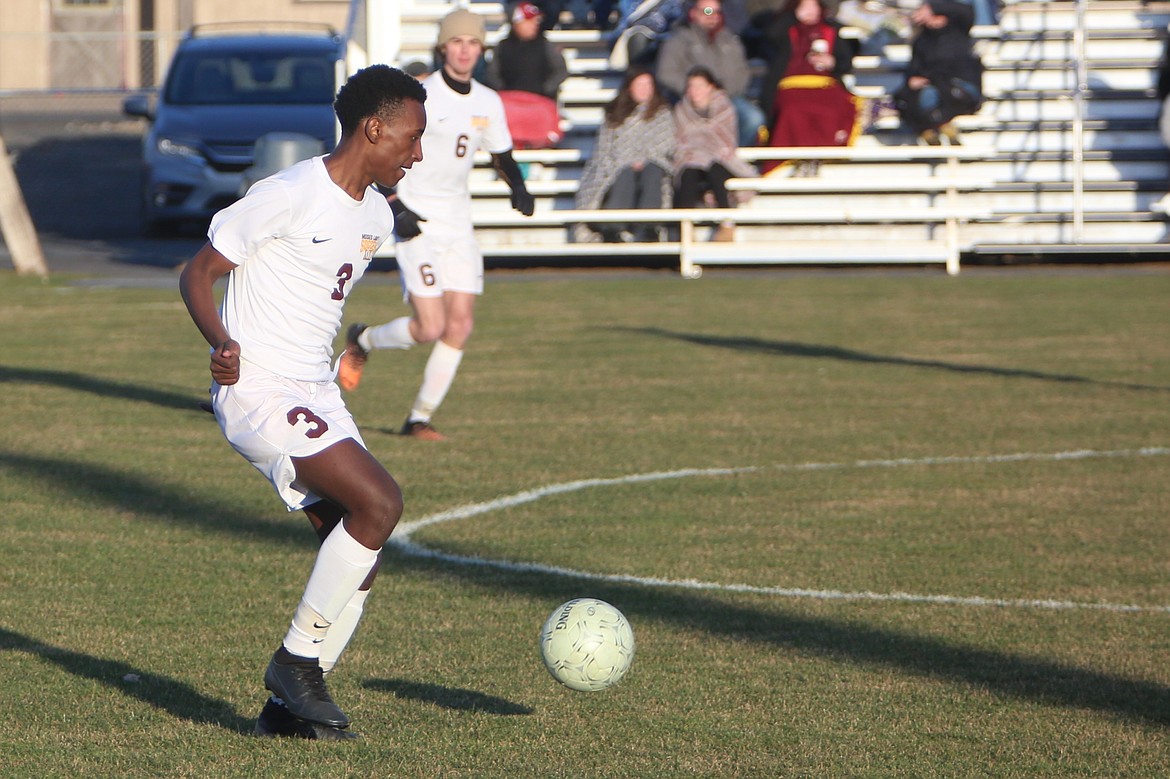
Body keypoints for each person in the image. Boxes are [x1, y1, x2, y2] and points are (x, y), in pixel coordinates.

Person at [177, 65, 426, 740]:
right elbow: (198, 270)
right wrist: (221, 340)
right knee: (380, 502)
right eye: (412, 137)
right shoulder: (287, 192)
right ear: (374, 128)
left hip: (314, 390)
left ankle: (286, 714)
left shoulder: (375, 211)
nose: (418, 152)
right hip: (258, 387)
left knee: (361, 555)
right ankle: (295, 662)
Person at [337, 9, 535, 441]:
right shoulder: (420, 94)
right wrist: (394, 206)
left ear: (481, 50)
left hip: (457, 223)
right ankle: (362, 340)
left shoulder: (487, 100)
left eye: (473, 43)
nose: (465, 50)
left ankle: (418, 419)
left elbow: (501, 154)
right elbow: (382, 151)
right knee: (429, 327)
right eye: (457, 42)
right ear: (444, 47)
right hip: (417, 219)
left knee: (460, 325)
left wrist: (517, 186)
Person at [755, 0, 860, 176]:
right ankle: (799, 156)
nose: (809, 11)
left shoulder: (830, 31)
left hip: (824, 85)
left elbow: (846, 62)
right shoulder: (785, 29)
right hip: (791, 84)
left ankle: (817, 156)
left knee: (830, 110)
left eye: (813, 6)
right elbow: (770, 37)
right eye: (804, 6)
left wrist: (831, 61)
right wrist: (791, 18)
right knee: (793, 110)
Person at [573, 66, 675, 243]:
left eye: (648, 84)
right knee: (623, 172)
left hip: (653, 165)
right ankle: (612, 226)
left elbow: (667, 146)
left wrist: (644, 159)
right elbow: (603, 150)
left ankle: (649, 226)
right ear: (630, 87)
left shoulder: (664, 114)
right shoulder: (614, 114)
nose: (644, 89)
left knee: (654, 171)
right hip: (618, 164)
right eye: (640, 84)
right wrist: (627, 161)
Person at [655, 0, 766, 146]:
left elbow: (742, 71)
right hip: (690, 100)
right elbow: (666, 73)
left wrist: (724, 92)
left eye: (717, 12)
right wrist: (693, 90)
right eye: (707, 11)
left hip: (728, 98)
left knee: (753, 118)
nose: (712, 16)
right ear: (693, 13)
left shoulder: (730, 40)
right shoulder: (679, 40)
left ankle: (727, 154)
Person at [672, 66, 759, 240]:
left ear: (710, 87)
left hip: (720, 158)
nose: (694, 91)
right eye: (691, 86)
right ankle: (685, 228)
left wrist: (702, 136)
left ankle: (727, 224)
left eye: (699, 86)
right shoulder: (681, 110)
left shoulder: (725, 108)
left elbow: (726, 141)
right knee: (688, 172)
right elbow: (681, 142)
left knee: (717, 170)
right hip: (693, 158)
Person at [893, 0, 983, 145]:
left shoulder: (958, 27)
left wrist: (933, 7)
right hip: (933, 87)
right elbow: (914, 69)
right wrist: (913, 79)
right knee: (914, 95)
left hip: (959, 87)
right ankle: (939, 126)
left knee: (935, 93)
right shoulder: (921, 40)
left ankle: (932, 126)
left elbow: (965, 10)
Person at [485, 2, 570, 149]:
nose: (534, 25)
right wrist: (506, 93)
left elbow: (560, 71)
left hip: (539, 105)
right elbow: (492, 75)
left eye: (535, 21)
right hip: (510, 107)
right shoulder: (503, 47)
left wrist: (545, 89)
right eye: (528, 21)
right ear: (516, 22)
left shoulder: (545, 45)